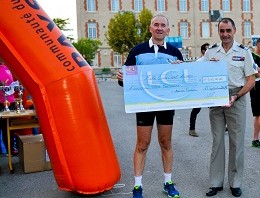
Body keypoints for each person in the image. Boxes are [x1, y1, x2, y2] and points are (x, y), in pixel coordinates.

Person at [116, 14, 183, 198]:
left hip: (166, 105)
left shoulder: (175, 53)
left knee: (166, 143)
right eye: (156, 25)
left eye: (163, 25)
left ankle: (168, 183)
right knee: (142, 144)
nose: (159, 28)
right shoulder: (137, 51)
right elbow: (126, 80)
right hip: (144, 105)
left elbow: (183, 83)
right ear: (150, 28)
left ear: (168, 30)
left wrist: (180, 71)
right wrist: (122, 78)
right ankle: (137, 187)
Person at [203, 18, 257, 197]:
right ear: (218, 31)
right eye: (221, 30)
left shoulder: (244, 52)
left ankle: (235, 182)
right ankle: (216, 182)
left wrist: (237, 95)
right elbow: (197, 68)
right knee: (217, 142)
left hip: (237, 97)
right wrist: (181, 67)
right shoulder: (211, 52)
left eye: (228, 30)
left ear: (234, 30)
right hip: (216, 100)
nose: (225, 34)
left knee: (236, 142)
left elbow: (251, 80)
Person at [188, 43, 210, 137]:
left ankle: (222, 126)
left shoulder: (214, 61)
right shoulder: (199, 62)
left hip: (210, 89)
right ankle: (192, 128)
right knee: (196, 109)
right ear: (203, 51)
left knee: (217, 108)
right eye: (208, 49)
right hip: (200, 89)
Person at [0, 58, 17, 156]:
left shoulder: (7, 67)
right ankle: (5, 150)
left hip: (11, 101)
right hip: (1, 102)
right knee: (4, 127)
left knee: (9, 127)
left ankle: (10, 149)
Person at [250, 38, 260, 148]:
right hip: (256, 87)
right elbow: (256, 73)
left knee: (258, 116)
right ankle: (255, 139)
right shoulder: (252, 57)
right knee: (258, 114)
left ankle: (255, 139)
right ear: (258, 44)